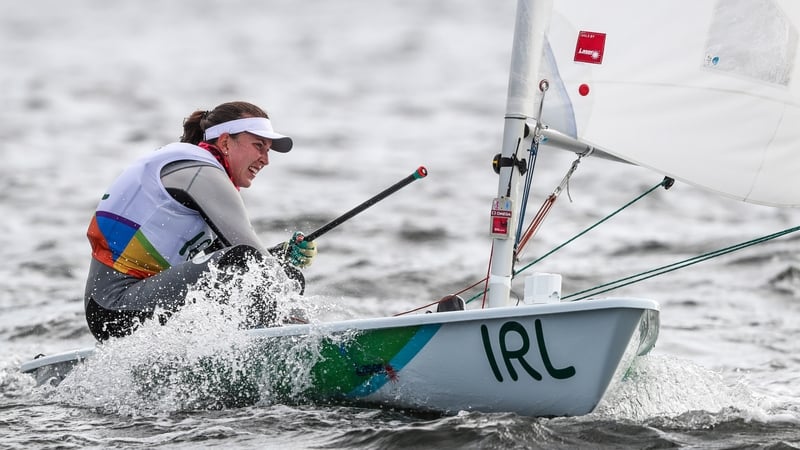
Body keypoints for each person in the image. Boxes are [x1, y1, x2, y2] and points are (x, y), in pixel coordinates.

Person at [83, 101, 317, 341]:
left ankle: (252, 350)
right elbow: (244, 256)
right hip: (113, 309)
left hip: (140, 302)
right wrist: (304, 329)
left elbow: (216, 257)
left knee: (286, 275)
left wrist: (280, 256)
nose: (265, 159)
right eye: (259, 146)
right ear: (225, 142)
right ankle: (289, 342)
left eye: (268, 150)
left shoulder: (198, 173)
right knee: (249, 264)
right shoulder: (199, 171)